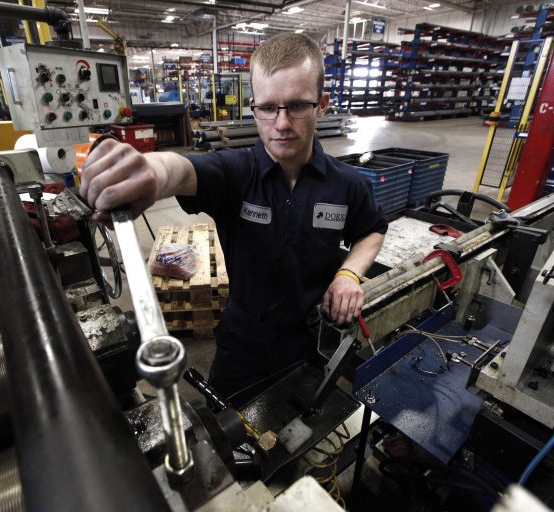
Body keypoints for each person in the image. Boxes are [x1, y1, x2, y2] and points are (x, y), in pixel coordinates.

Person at [80, 33, 388, 398]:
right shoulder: (236, 173)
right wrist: (150, 170)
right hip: (242, 345)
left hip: (310, 343)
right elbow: (181, 170)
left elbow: (372, 229)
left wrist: (349, 275)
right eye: (268, 107)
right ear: (253, 105)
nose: (282, 123)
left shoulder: (346, 184)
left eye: (297, 106)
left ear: (321, 105)